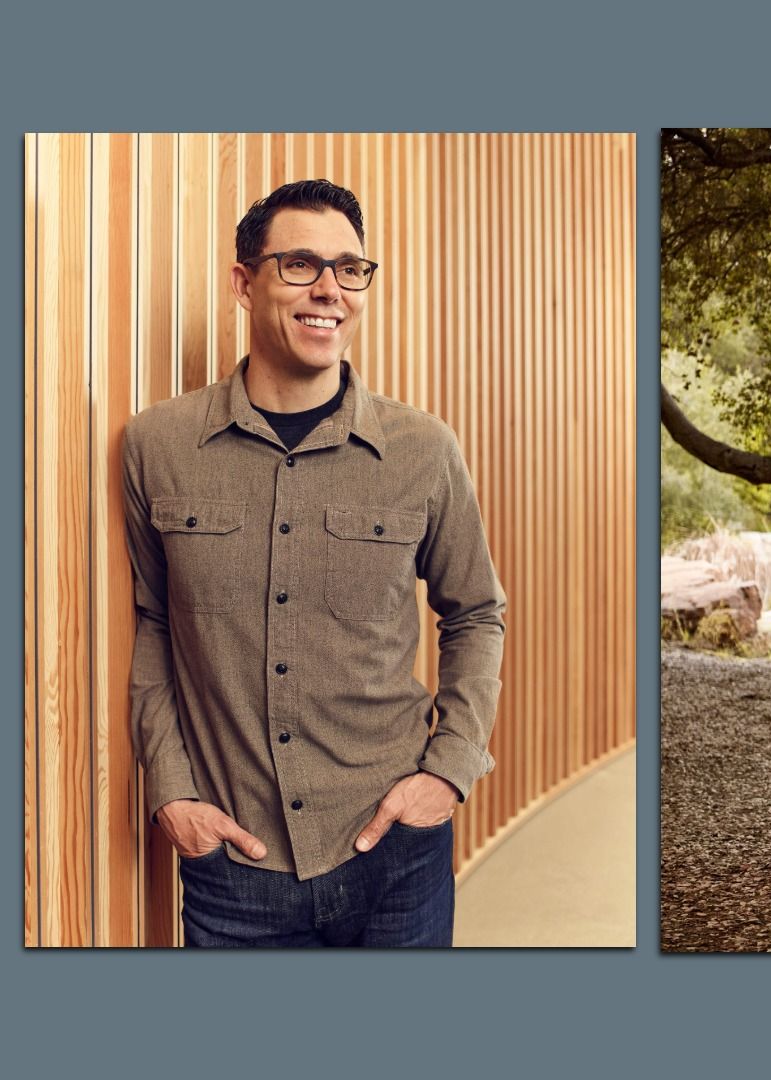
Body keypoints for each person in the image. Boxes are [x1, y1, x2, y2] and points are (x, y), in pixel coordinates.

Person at [121, 179, 506, 947]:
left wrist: (449, 769)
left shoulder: (423, 450)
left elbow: (476, 612)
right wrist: (170, 789)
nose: (329, 289)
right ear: (244, 283)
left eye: (350, 268)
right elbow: (151, 622)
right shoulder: (155, 446)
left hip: (397, 856)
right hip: (233, 870)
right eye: (300, 264)